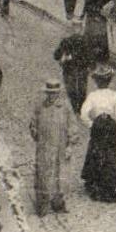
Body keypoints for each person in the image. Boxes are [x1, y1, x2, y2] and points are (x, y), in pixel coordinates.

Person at [80, 65, 116, 203]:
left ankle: (96, 185)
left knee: (96, 152)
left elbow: (83, 113)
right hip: (110, 126)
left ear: (96, 82)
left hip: (98, 126)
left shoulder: (93, 96)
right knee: (110, 154)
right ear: (109, 81)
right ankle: (111, 187)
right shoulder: (114, 95)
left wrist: (91, 124)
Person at [30, 79, 73, 216]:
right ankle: (42, 205)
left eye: (54, 93)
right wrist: (36, 134)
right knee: (43, 174)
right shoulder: (40, 107)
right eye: (49, 93)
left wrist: (70, 145)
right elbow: (32, 124)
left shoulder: (65, 107)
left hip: (61, 146)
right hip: (45, 147)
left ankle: (58, 203)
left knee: (60, 176)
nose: (52, 96)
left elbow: (72, 126)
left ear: (58, 93)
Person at [53, 30, 92, 115]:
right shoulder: (85, 42)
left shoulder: (66, 41)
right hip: (78, 71)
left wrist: (66, 57)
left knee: (73, 90)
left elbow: (56, 55)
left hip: (71, 71)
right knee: (79, 90)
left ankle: (77, 109)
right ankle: (79, 109)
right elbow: (90, 61)